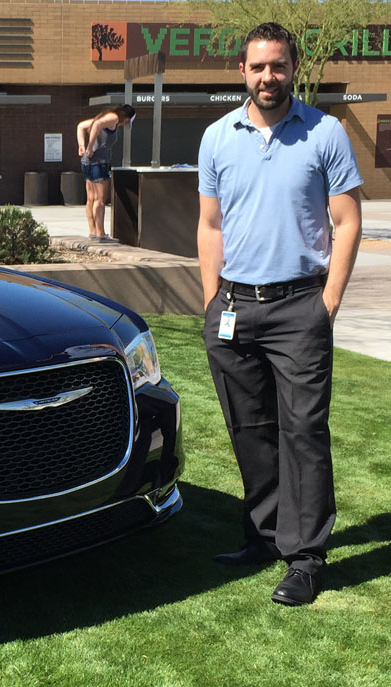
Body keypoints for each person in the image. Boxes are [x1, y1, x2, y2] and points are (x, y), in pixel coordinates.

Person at [196, 22, 363, 607]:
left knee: (304, 434)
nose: (268, 76)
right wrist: (211, 299)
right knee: (250, 430)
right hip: (234, 308)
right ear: (242, 72)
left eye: (278, 65)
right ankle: (265, 537)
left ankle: (306, 559)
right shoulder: (217, 137)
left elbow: (348, 222)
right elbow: (210, 225)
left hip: (300, 307)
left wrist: (328, 303)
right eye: (258, 66)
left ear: (293, 68)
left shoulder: (326, 132)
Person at [76, 104, 135, 241]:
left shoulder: (104, 117)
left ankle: (93, 231)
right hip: (100, 162)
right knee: (100, 199)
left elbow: (81, 126)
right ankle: (100, 233)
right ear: (125, 116)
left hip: (88, 162)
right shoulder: (113, 118)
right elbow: (96, 125)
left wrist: (82, 146)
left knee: (91, 198)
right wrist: (90, 147)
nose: (124, 124)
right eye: (127, 121)